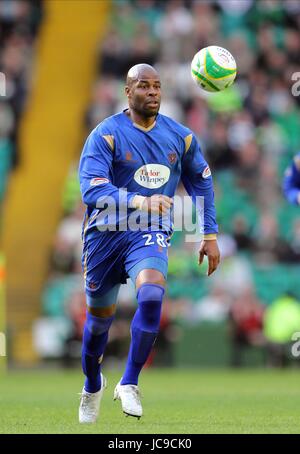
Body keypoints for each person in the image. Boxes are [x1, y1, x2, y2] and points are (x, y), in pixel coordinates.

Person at [78, 64, 220, 423]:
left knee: (153, 294)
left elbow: (201, 182)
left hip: (148, 231)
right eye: (144, 86)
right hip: (105, 235)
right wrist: (140, 200)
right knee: (98, 326)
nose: (153, 92)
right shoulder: (105, 134)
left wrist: (209, 233)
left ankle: (129, 382)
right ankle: (92, 384)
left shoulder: (181, 136)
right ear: (128, 92)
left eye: (158, 86)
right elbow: (91, 189)